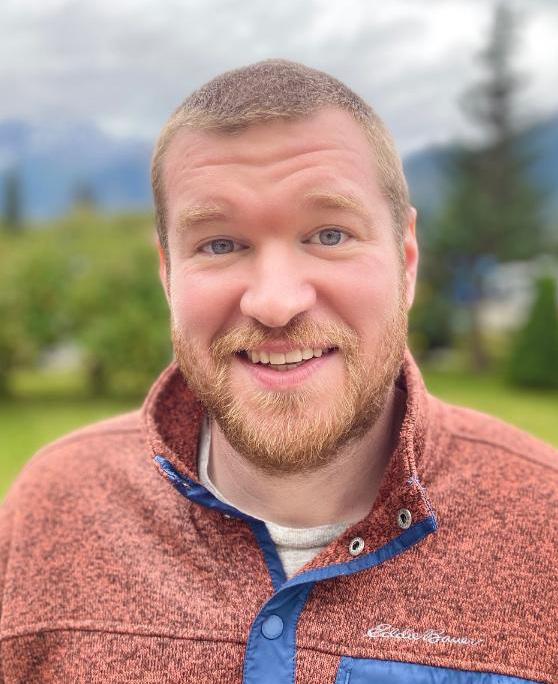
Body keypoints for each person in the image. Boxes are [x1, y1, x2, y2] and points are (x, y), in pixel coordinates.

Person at [0, 59, 556, 684]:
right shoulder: (53, 510)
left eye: (330, 235)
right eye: (219, 244)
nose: (274, 302)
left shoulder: (545, 527)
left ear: (406, 259)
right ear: (167, 274)